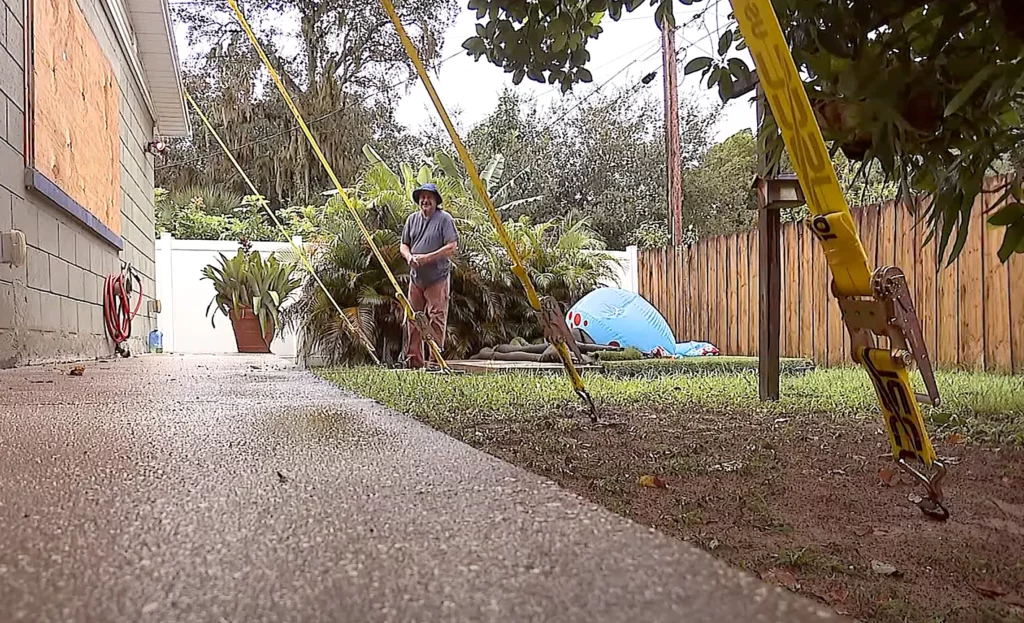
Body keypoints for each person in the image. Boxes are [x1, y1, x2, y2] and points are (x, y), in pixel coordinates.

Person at [400, 183, 458, 368]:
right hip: (416, 278)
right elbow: (404, 245)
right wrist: (409, 257)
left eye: (429, 198)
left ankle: (434, 361)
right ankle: (413, 360)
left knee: (436, 318)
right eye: (422, 197)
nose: (425, 201)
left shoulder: (445, 220)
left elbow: (452, 246)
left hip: (437, 278)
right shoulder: (411, 219)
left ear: (435, 201)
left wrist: (427, 258)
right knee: (414, 317)